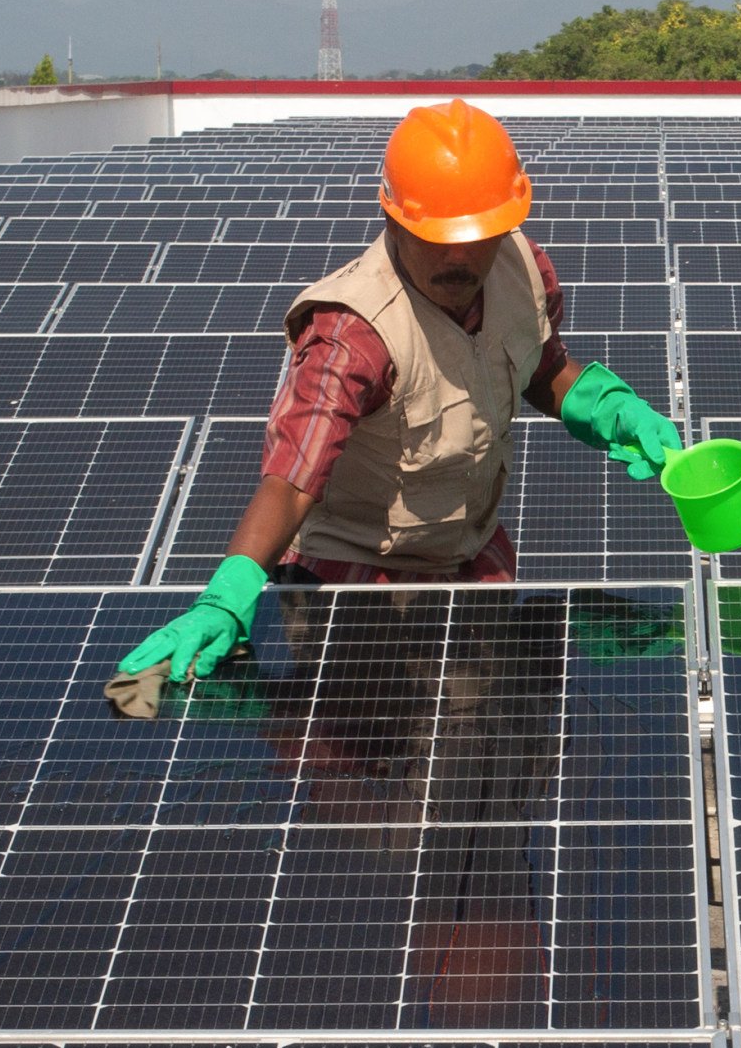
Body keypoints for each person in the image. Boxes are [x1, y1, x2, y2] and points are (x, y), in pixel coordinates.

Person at [115, 100, 682, 687]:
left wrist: (611, 408)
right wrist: (229, 592)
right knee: (364, 755)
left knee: (480, 744)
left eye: (478, 237)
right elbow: (291, 478)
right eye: (437, 238)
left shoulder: (523, 269)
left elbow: (544, 367)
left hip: (469, 556)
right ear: (393, 220)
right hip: (358, 580)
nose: (459, 258)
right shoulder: (353, 334)